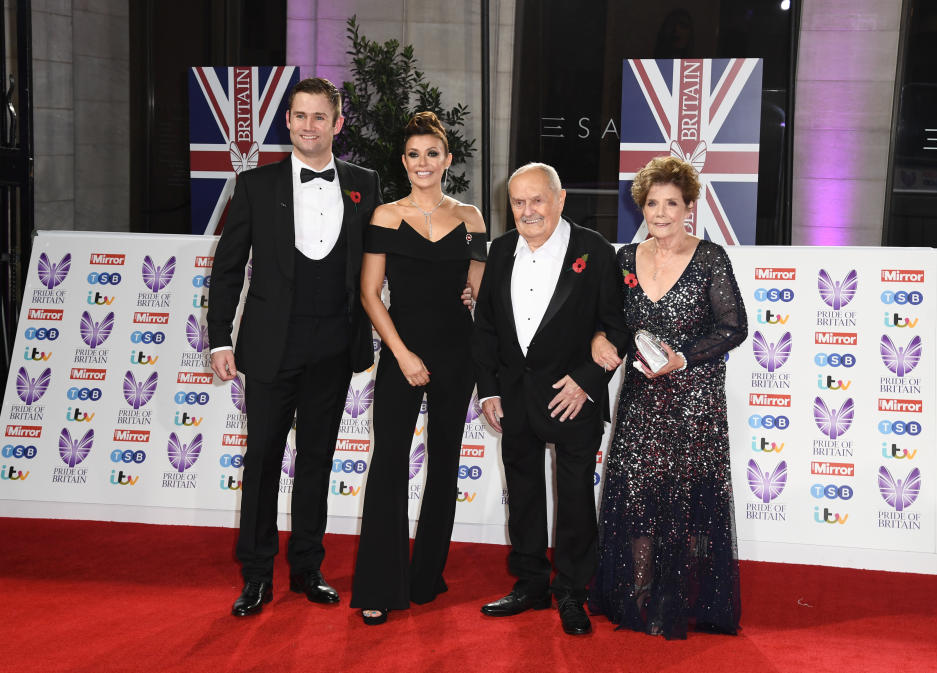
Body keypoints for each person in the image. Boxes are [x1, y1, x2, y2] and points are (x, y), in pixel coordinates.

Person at [207, 77, 382, 617]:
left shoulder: (365, 184)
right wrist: (219, 338)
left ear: (338, 124)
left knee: (316, 462)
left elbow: (384, 259)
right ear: (288, 121)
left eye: (319, 117)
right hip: (268, 347)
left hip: (334, 344)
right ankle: (257, 574)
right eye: (300, 116)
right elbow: (228, 267)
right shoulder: (254, 185)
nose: (309, 126)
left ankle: (307, 566)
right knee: (260, 459)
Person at [588, 155, 747, 639]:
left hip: (693, 399)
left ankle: (676, 597)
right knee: (638, 496)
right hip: (641, 400)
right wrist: (598, 335)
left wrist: (683, 358)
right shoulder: (623, 261)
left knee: (683, 499)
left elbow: (734, 327)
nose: (660, 213)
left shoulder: (710, 257)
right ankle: (639, 590)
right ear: (642, 207)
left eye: (670, 203)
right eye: (652, 203)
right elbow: (610, 319)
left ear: (688, 206)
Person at [472, 163, 627, 636]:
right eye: (518, 202)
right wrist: (490, 390)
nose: (527, 210)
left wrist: (585, 381)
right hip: (514, 396)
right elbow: (486, 328)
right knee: (522, 492)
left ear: (560, 200)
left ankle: (573, 593)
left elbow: (617, 327)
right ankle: (531, 583)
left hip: (573, 396)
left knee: (576, 496)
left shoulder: (595, 250)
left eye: (537, 199)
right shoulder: (499, 251)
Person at [350, 112, 487, 625]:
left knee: (445, 463)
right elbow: (369, 293)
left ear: (448, 160)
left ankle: (427, 575)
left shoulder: (471, 217)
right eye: (414, 154)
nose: (423, 162)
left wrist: (475, 291)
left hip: (458, 352)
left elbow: (477, 286)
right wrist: (402, 354)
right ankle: (381, 586)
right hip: (400, 351)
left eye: (433, 153)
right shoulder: (385, 216)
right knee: (388, 463)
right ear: (403, 161)